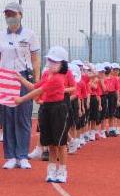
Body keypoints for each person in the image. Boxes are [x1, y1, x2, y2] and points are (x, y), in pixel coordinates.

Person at [14, 46, 77, 183]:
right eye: (50, 60)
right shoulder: (48, 75)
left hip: (59, 109)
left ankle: (62, 171)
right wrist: (21, 79)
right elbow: (35, 86)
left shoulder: (58, 78)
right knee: (51, 143)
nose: (51, 64)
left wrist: (21, 99)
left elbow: (39, 91)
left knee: (60, 143)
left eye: (55, 62)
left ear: (62, 64)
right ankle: (51, 170)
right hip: (47, 108)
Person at [0, 2, 41, 170]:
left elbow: (35, 59)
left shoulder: (30, 35)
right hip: (5, 79)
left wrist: (36, 80)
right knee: (8, 118)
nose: (10, 18)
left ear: (21, 15)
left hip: (23, 78)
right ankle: (11, 156)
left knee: (23, 117)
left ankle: (22, 155)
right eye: (7, 15)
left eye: (13, 14)